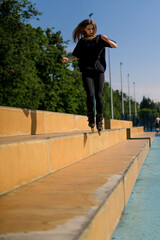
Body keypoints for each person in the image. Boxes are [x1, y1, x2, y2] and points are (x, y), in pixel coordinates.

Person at [62, 18, 117, 132]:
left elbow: (115, 46)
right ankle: (91, 118)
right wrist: (67, 59)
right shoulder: (82, 42)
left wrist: (107, 40)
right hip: (87, 71)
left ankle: (99, 120)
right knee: (90, 95)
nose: (91, 31)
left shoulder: (100, 38)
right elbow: (75, 55)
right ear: (84, 30)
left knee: (99, 96)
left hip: (99, 71)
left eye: (92, 29)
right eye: (89, 29)